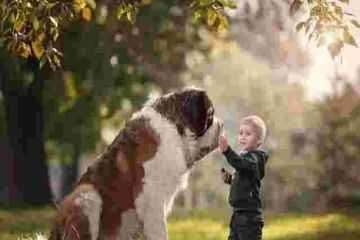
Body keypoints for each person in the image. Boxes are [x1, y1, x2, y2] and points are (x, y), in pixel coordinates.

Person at [218, 115, 269, 240]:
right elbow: (244, 182)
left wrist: (227, 151)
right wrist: (230, 180)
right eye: (241, 133)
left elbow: (241, 164)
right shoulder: (247, 159)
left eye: (248, 134)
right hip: (238, 215)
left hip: (249, 218)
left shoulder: (255, 159)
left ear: (258, 141)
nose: (243, 136)